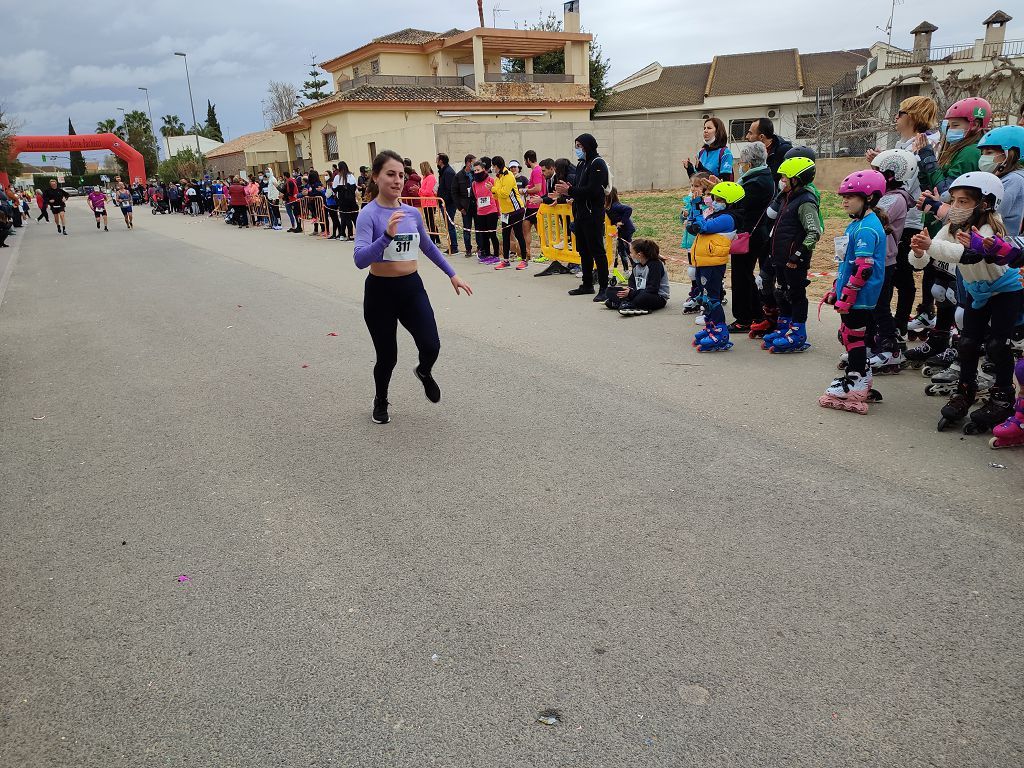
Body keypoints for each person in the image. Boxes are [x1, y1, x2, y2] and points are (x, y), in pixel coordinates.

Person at [353, 150, 472, 425]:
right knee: (387, 356)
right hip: (380, 292)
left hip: (411, 288)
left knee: (431, 345)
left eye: (400, 175)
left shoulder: (411, 212)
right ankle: (380, 400)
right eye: (390, 174)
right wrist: (385, 237)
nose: (397, 180)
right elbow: (360, 259)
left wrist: (452, 274)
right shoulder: (368, 215)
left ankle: (424, 371)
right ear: (376, 177)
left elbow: (427, 246)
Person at [911, 172, 1020, 434]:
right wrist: (918, 251)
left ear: (985, 203)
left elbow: (968, 255)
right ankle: (965, 390)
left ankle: (1002, 397)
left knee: (997, 345)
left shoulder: (989, 227)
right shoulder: (950, 227)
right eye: (955, 201)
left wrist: (930, 247)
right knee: (968, 343)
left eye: (963, 202)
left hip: (1005, 291)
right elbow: (925, 257)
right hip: (977, 291)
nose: (956, 207)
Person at [907, 96, 990, 368]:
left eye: (956, 124)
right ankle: (940, 338)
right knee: (938, 287)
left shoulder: (970, 152)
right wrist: (924, 162)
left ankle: (956, 345)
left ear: (976, 124)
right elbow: (933, 185)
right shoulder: (954, 148)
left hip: (957, 227)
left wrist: (928, 158)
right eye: (948, 124)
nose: (949, 129)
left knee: (952, 292)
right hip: (940, 222)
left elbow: (946, 190)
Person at [867, 96, 939, 339]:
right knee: (897, 275)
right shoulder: (905, 144)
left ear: (912, 115)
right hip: (903, 217)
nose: (896, 118)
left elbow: (909, 181)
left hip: (910, 219)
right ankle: (893, 323)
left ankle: (896, 326)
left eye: (899, 113)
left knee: (900, 275)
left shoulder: (925, 145)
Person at [819, 170, 889, 413]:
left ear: (868, 198)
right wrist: (835, 289)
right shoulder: (857, 224)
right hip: (854, 293)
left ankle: (855, 379)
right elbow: (845, 262)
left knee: (853, 336)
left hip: (861, 297)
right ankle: (864, 376)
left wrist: (848, 295)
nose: (845, 201)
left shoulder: (867, 229)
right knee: (855, 335)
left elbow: (863, 268)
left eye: (851, 197)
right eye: (844, 197)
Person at [865, 149, 917, 374]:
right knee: (871, 304)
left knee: (880, 306)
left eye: (877, 172)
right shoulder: (887, 196)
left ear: (891, 174)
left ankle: (890, 349)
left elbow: (875, 217)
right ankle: (873, 343)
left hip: (884, 259)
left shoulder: (895, 199)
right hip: (876, 257)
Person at [762, 156, 821, 353]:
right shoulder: (787, 199)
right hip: (781, 259)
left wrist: (798, 254)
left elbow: (814, 231)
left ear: (797, 180)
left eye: (785, 178)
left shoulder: (806, 202)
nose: (782, 181)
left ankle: (798, 332)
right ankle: (785, 327)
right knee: (781, 293)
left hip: (795, 260)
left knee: (796, 295)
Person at [687, 181, 746, 351]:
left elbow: (700, 227)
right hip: (703, 261)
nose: (715, 201)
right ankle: (711, 325)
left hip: (713, 264)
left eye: (719, 199)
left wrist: (698, 207)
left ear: (730, 201)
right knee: (704, 298)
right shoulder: (716, 214)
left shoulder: (728, 218)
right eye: (715, 198)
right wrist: (694, 208)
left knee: (712, 299)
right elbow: (691, 224)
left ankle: (720, 331)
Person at [557, 133, 611, 300]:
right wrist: (570, 191)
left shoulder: (598, 164)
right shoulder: (581, 164)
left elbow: (593, 191)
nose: (577, 149)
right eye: (576, 146)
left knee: (597, 251)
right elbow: (581, 189)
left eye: (579, 146)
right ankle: (587, 284)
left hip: (592, 215)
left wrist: (570, 191)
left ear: (588, 146)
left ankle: (604, 287)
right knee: (584, 251)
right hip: (580, 214)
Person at [732, 141, 775, 334]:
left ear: (749, 163)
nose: (740, 165)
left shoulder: (757, 182)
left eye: (742, 162)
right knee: (746, 275)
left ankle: (745, 317)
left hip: (750, 234)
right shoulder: (761, 177)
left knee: (742, 276)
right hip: (754, 233)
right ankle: (755, 314)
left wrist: (722, 194)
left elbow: (738, 203)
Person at [977, 125, 1024, 236]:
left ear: (1009, 155)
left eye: (989, 153)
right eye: (982, 154)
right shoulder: (1001, 177)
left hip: (999, 244)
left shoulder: (1013, 180)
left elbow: (992, 214)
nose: (983, 158)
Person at [604, 238, 669, 316]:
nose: (630, 255)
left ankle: (627, 304)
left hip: (656, 296)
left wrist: (631, 293)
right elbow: (632, 281)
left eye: (631, 252)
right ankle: (627, 304)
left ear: (639, 255)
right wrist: (629, 290)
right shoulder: (636, 265)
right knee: (609, 290)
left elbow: (653, 288)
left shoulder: (655, 265)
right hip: (637, 293)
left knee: (642, 297)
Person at [680, 173, 713, 313]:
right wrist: (684, 216)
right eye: (692, 185)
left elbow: (703, 219)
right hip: (690, 241)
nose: (693, 188)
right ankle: (695, 292)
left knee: (699, 271)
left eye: (697, 186)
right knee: (692, 271)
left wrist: (696, 205)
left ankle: (704, 295)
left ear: (705, 187)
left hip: (701, 241)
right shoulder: (690, 200)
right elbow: (684, 220)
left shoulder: (707, 202)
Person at [491, 155, 528, 270]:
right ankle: (506, 260)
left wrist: (492, 189)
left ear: (496, 166)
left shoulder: (508, 175)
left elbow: (504, 193)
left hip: (516, 209)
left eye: (493, 166)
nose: (492, 168)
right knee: (505, 235)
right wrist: (493, 190)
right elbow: (497, 196)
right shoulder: (498, 178)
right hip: (505, 212)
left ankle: (524, 260)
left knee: (518, 234)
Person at [685, 117, 734, 181]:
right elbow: (696, 181)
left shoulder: (725, 153)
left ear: (718, 131)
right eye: (704, 128)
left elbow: (724, 181)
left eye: (709, 128)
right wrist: (689, 168)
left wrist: (702, 169)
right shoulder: (701, 152)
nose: (705, 131)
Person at [471, 159, 500, 264]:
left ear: (484, 169)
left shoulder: (491, 180)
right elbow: (476, 196)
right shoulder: (474, 183)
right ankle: (487, 254)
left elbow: (496, 196)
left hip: (491, 211)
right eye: (475, 171)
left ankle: (496, 255)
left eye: (478, 170)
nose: (476, 172)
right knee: (484, 235)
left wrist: (498, 211)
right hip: (481, 212)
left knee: (492, 233)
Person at [454, 154, 479, 257]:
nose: (475, 164)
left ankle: (480, 248)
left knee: (478, 228)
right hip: (465, 207)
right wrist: (460, 207)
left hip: (477, 205)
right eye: (474, 162)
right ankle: (468, 249)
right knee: (467, 229)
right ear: (468, 163)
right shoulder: (458, 176)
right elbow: (454, 193)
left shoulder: (476, 174)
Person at [605, 187, 635, 274]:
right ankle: (626, 271)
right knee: (621, 250)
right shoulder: (608, 207)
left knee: (627, 250)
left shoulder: (615, 206)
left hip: (627, 230)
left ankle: (634, 269)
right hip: (621, 232)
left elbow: (628, 209)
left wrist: (622, 222)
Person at [523, 150, 545, 261]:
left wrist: (526, 191)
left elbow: (538, 188)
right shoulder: (535, 171)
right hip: (529, 206)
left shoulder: (537, 170)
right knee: (525, 228)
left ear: (528, 160)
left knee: (540, 231)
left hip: (536, 206)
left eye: (525, 161)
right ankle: (527, 253)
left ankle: (544, 253)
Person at [435, 153, 459, 252]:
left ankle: (454, 246)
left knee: (450, 225)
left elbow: (450, 189)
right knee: (447, 225)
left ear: (441, 161)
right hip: (444, 202)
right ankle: (451, 245)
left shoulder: (448, 172)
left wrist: (445, 201)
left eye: (437, 159)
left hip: (448, 203)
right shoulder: (443, 171)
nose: (436, 161)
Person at [418, 161, 441, 245]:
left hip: (430, 203)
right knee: (430, 221)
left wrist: (419, 190)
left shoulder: (430, 177)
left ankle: (433, 240)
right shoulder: (424, 178)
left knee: (430, 221)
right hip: (425, 202)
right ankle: (436, 239)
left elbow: (427, 191)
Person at [336, 162, 358, 240]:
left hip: (343, 202)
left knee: (346, 218)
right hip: (352, 200)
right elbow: (355, 187)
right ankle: (358, 234)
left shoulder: (338, 177)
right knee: (355, 218)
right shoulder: (351, 176)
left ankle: (350, 234)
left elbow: (334, 189)